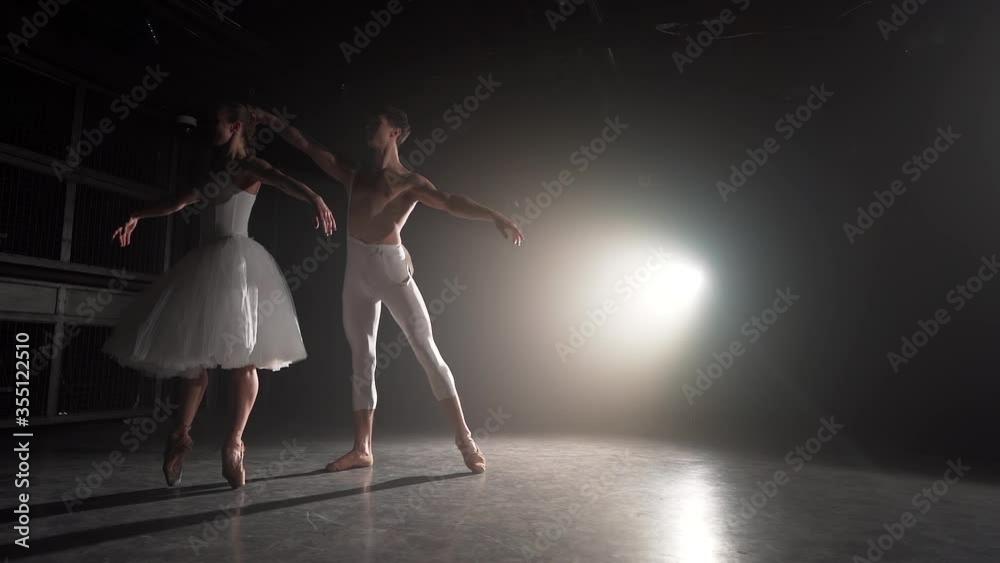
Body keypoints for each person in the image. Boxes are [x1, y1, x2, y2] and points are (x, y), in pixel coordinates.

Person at [251, 105, 523, 474]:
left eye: (375, 122)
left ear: (395, 132)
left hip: (393, 273)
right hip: (357, 274)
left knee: (426, 351)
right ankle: (362, 449)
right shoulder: (353, 173)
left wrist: (495, 215)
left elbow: (450, 203)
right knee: (362, 359)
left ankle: (465, 440)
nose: (368, 126)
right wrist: (269, 119)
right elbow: (308, 145)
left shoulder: (410, 182)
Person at [102, 102, 336, 489]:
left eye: (217, 122)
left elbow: (282, 180)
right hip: (210, 263)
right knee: (196, 359)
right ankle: (184, 435)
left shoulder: (252, 165)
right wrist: (138, 214)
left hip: (239, 265)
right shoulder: (212, 172)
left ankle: (231, 442)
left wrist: (315, 197)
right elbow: (178, 201)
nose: (210, 128)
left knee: (242, 358)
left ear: (235, 127)